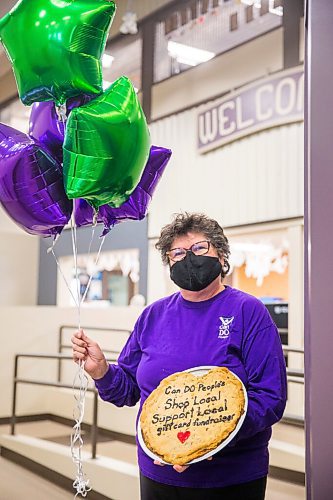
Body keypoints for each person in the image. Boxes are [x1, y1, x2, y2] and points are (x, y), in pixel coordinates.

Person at [72, 212, 287, 500]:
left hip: (229, 477)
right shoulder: (153, 315)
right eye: (177, 253)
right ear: (169, 263)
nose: (189, 258)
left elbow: (270, 396)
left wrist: (213, 439)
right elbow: (129, 390)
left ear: (222, 257)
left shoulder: (248, 312)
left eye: (199, 248)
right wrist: (101, 371)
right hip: (157, 471)